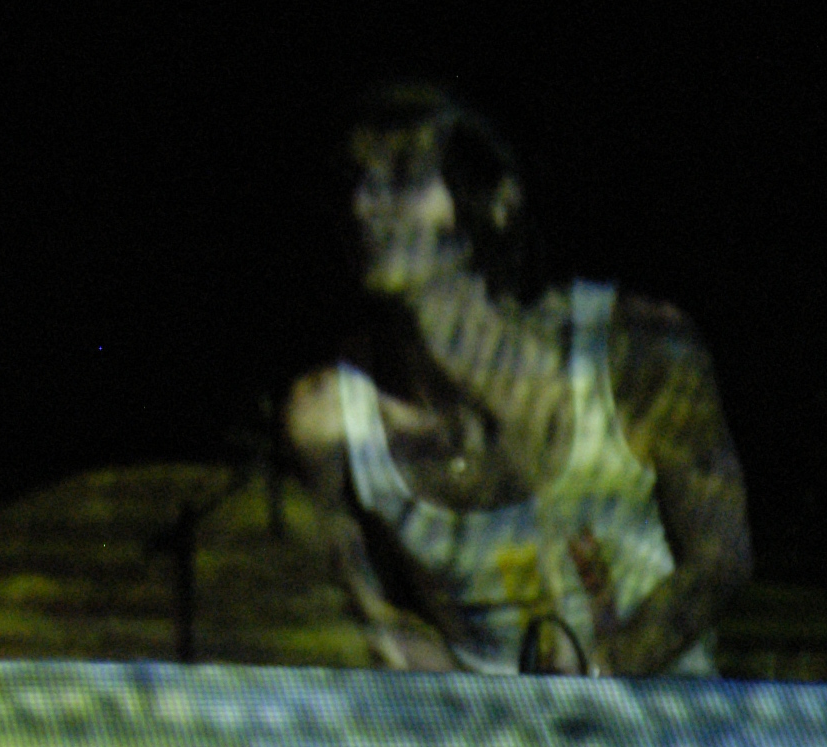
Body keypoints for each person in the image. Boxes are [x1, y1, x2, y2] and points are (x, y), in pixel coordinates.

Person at [285, 82, 751, 677]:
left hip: (660, 716)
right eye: (354, 181)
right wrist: (418, 663)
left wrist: (599, 671)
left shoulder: (635, 348)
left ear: (497, 202)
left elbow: (720, 560)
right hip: (483, 728)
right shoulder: (331, 419)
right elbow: (373, 614)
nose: (362, 205)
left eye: (402, 177)